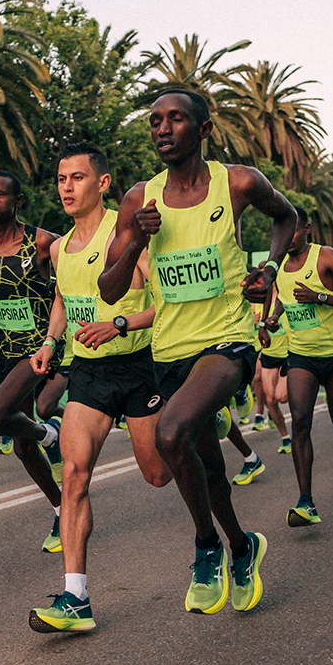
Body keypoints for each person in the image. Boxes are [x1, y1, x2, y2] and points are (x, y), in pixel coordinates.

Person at [100, 90, 296, 616]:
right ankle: (240, 545)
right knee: (208, 470)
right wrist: (137, 243)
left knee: (169, 433)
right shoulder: (140, 198)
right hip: (170, 350)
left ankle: (205, 546)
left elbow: (287, 217)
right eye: (155, 121)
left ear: (203, 130)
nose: (163, 128)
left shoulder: (238, 182)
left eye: (176, 119)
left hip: (228, 341)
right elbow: (110, 289)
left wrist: (271, 269)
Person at [28, 143, 170, 633]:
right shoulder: (57, 248)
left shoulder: (127, 237)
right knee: (74, 475)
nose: (67, 187)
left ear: (103, 183)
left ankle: (192, 423)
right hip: (88, 373)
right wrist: (51, 341)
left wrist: (122, 323)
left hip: (138, 365)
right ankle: (76, 597)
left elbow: (170, 303)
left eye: (78, 178)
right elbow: (65, 300)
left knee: (157, 474)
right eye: (62, 178)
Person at [0, 172, 63, 552]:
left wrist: (56, 339)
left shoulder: (43, 242)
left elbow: (67, 290)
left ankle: (49, 434)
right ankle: (61, 509)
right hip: (4, 351)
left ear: (18, 200)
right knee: (23, 447)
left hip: (40, 350)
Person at [272, 206, 333, 527]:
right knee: (300, 421)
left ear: (307, 228)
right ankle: (306, 501)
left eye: (294, 230)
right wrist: (273, 316)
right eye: (282, 232)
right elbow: (286, 295)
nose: (287, 237)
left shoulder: (326, 257)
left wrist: (321, 297)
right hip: (300, 355)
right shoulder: (278, 263)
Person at [254, 312, 292, 457]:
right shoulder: (259, 301)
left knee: (281, 397)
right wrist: (253, 321)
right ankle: (285, 438)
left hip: (287, 354)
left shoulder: (285, 298)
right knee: (270, 400)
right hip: (268, 353)